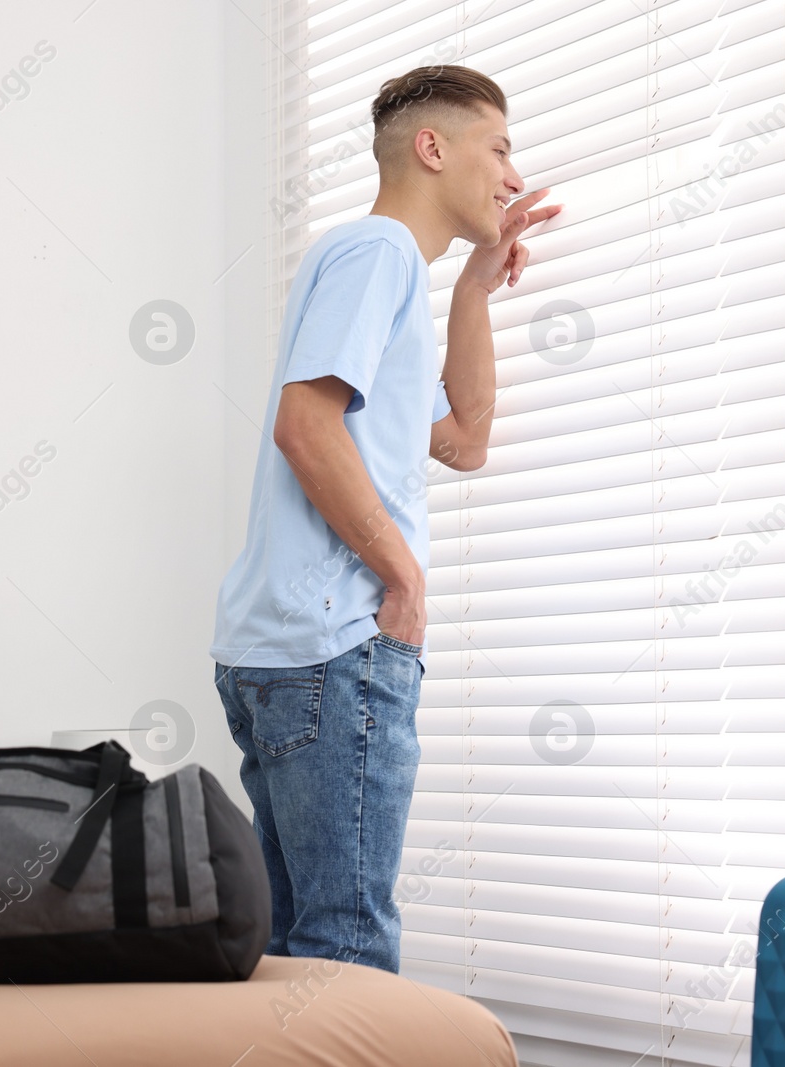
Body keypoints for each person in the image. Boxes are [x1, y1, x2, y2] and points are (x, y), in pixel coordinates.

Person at [209, 64, 561, 974]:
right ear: (432, 147)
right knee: (348, 950)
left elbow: (462, 439)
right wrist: (403, 579)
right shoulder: (380, 253)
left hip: (285, 650)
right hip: (337, 647)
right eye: (501, 146)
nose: (515, 175)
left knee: (294, 955)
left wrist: (476, 292)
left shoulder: (385, 268)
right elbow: (304, 424)